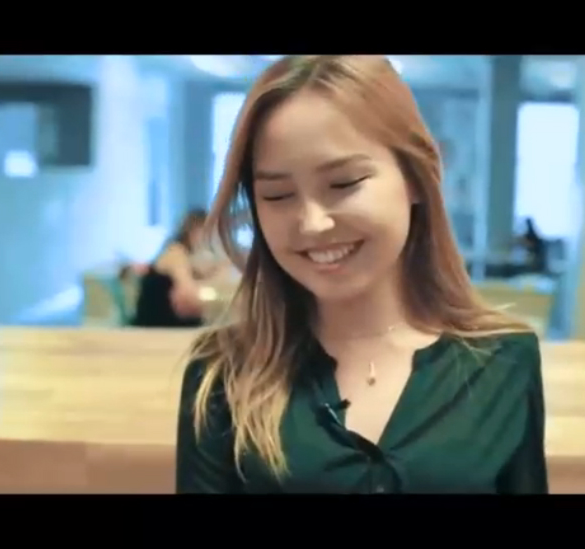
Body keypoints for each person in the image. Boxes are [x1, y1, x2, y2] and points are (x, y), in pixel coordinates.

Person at [175, 55, 548, 494]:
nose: (313, 223)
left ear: (416, 177)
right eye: (277, 195)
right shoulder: (223, 374)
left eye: (344, 183)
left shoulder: (505, 362)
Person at [132, 208, 218, 328]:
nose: (211, 238)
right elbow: (189, 293)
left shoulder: (180, 253)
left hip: (159, 323)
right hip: (157, 326)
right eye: (207, 232)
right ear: (192, 231)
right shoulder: (175, 253)